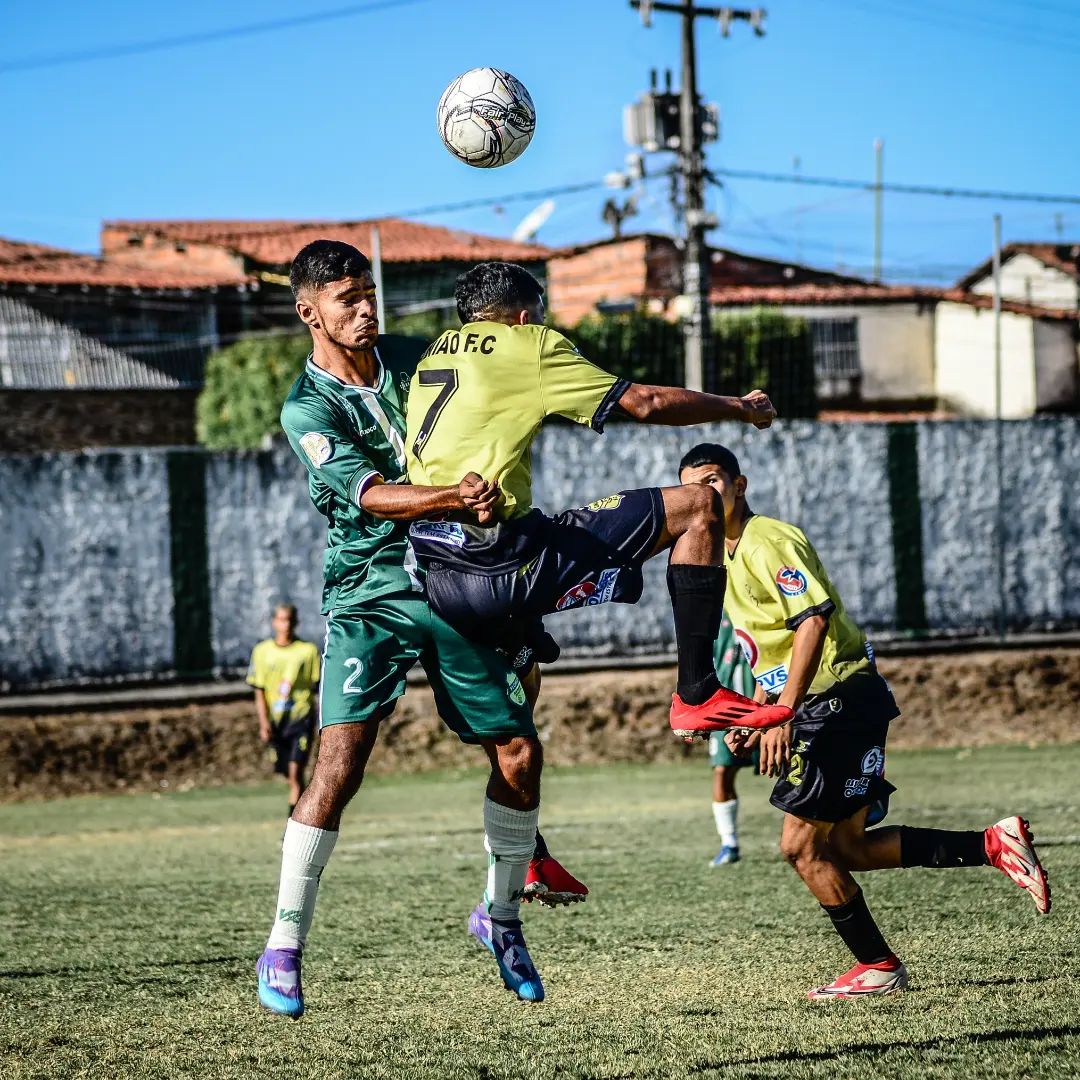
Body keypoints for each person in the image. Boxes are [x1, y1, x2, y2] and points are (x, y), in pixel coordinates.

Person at [256, 240, 582, 1018]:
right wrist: (447, 496)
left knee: (518, 748)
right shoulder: (307, 408)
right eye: (347, 299)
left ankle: (500, 919)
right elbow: (369, 496)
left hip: (451, 582)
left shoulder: (415, 355)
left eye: (369, 294)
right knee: (337, 769)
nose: (366, 309)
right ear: (310, 313)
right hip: (368, 597)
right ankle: (283, 944)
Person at [678, 441, 1052, 999]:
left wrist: (783, 714)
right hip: (828, 705)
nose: (701, 494)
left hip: (836, 703)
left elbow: (813, 621)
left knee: (800, 848)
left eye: (712, 480)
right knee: (847, 848)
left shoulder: (767, 540)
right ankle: (993, 844)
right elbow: (771, 648)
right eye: (691, 485)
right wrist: (758, 716)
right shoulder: (723, 553)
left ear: (740, 484)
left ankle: (878, 964)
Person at [402, 261, 793, 741]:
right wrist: (741, 407)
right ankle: (698, 692)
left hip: (438, 576)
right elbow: (645, 402)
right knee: (698, 507)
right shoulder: (529, 345)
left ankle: (519, 653)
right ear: (525, 319)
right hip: (501, 563)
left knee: (517, 734)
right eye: (541, 317)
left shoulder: (431, 358)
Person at [247, 602, 321, 816]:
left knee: (295, 772)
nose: (285, 624)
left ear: (295, 623)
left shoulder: (307, 652)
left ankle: (293, 825)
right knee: (288, 776)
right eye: (281, 619)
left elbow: (316, 687)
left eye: (289, 620)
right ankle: (305, 809)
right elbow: (259, 690)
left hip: (301, 719)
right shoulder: (262, 652)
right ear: (274, 622)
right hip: (276, 722)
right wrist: (263, 723)